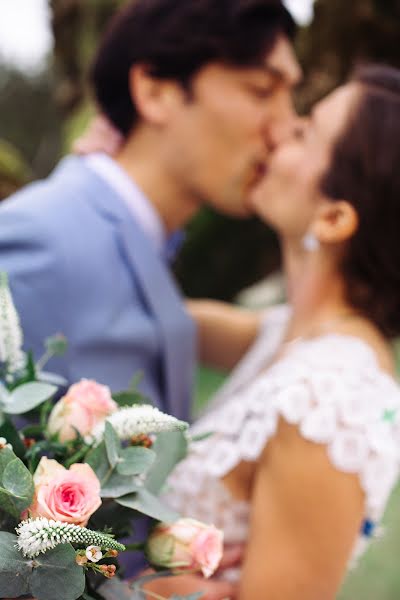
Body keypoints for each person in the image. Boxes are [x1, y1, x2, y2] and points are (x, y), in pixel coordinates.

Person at [141, 64, 400, 599]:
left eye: (305, 133)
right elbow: (159, 315)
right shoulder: (292, 335)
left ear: (333, 218)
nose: (279, 133)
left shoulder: (329, 402)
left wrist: (137, 584)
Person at [0, 0, 299, 425]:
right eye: (262, 91)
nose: (286, 128)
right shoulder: (39, 242)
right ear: (155, 92)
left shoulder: (150, 241)